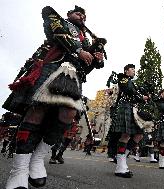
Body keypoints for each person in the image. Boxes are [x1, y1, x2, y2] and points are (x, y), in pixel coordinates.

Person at [3, 5, 104, 189]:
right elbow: (57, 33)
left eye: (83, 14)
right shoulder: (57, 18)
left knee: (68, 114)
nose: (81, 16)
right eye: (77, 13)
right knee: (37, 111)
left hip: (72, 75)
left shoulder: (86, 39)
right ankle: (18, 170)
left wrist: (96, 57)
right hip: (51, 65)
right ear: (69, 14)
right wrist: (80, 50)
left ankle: (38, 158)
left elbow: (86, 66)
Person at [113, 64, 148, 178]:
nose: (134, 72)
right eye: (132, 70)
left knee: (139, 135)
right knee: (126, 135)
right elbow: (128, 90)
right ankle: (120, 166)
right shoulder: (123, 78)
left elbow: (136, 96)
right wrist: (139, 95)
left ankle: (121, 159)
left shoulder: (132, 83)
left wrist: (143, 97)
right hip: (125, 107)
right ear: (126, 71)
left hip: (132, 108)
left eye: (134, 70)